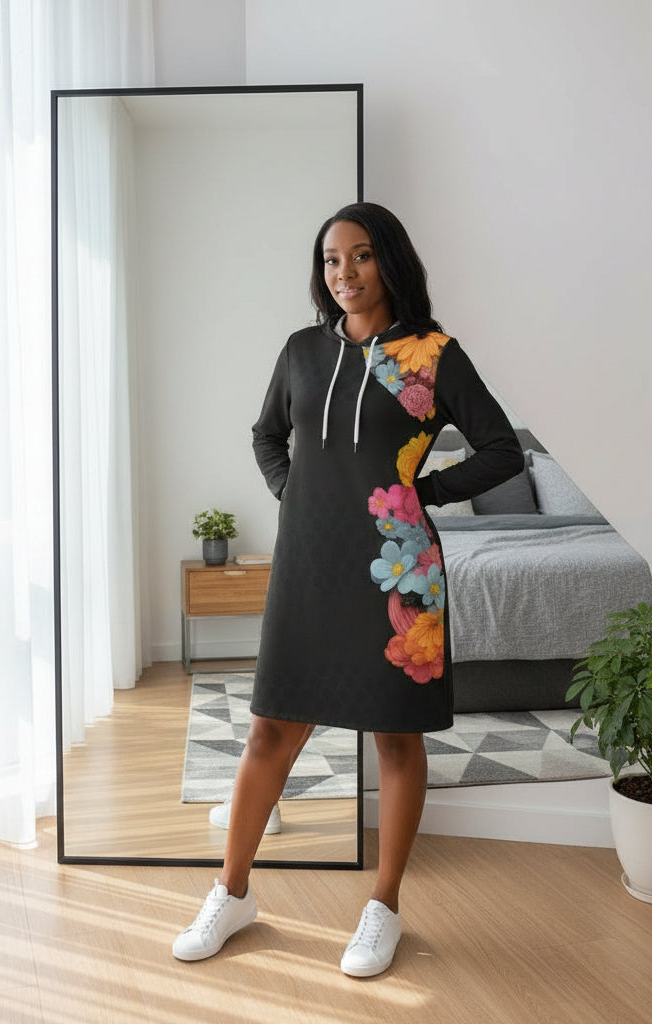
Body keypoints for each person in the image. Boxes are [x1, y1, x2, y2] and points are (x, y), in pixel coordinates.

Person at [172, 202, 523, 976]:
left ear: (389, 260)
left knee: (395, 738)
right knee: (269, 732)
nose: (344, 273)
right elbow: (267, 434)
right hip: (307, 566)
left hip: (399, 569)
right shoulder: (302, 351)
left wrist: (423, 493)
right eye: (331, 260)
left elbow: (502, 450)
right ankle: (232, 893)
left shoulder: (432, 355)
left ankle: (384, 905)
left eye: (360, 256)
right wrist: (292, 494)